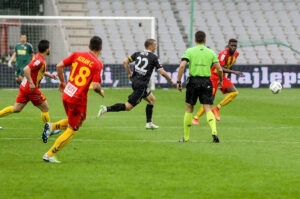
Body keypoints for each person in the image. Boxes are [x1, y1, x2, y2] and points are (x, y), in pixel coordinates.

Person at [42, 36, 104, 163]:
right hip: (78, 99)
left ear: (89, 46)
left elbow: (59, 66)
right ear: (101, 48)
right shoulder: (97, 64)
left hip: (67, 94)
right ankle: (49, 154)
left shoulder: (77, 54)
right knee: (73, 129)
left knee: (74, 121)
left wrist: (62, 82)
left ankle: (51, 126)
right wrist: (100, 91)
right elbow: (96, 86)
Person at [97, 39, 175, 129]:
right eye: (155, 46)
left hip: (135, 82)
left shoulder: (138, 53)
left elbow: (125, 61)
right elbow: (162, 72)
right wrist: (171, 80)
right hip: (141, 86)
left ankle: (149, 123)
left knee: (152, 100)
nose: (156, 47)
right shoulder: (154, 57)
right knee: (128, 107)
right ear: (150, 46)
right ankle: (105, 109)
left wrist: (129, 73)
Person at [177, 31, 223, 143]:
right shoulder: (210, 52)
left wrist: (179, 81)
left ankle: (186, 138)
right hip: (207, 82)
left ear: (195, 40)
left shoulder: (190, 51)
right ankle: (214, 131)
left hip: (193, 81)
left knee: (189, 108)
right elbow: (220, 69)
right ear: (205, 39)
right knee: (207, 108)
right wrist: (220, 81)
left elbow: (182, 65)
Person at [0, 40, 56, 128]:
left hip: (24, 86)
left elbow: (36, 70)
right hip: (31, 88)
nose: (50, 49)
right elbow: (26, 69)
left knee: (16, 109)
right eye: (49, 48)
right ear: (47, 49)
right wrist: (31, 83)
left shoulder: (37, 56)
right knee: (45, 108)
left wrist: (49, 75)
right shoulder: (40, 60)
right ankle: (49, 129)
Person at [192, 38, 244, 124]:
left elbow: (230, 64)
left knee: (234, 93)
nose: (233, 47)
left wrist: (230, 73)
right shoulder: (223, 54)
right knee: (210, 99)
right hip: (213, 77)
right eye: (232, 45)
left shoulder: (236, 54)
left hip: (222, 77)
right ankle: (196, 117)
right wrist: (234, 72)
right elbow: (221, 68)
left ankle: (217, 108)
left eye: (235, 46)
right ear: (228, 45)